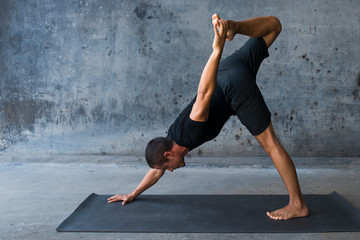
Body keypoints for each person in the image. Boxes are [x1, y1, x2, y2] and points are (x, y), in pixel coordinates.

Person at [108, 14, 309, 221]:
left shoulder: (190, 131)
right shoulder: (171, 139)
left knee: (271, 145)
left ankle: (298, 205)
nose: (170, 171)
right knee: (274, 26)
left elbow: (204, 93)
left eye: (167, 167)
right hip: (230, 69)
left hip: (233, 87)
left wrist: (217, 49)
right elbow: (156, 171)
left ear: (169, 155)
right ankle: (235, 26)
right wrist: (133, 193)